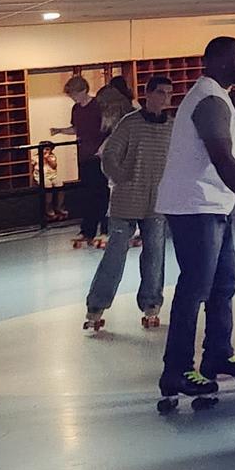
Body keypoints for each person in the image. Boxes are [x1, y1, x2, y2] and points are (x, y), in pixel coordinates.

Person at [155, 37, 235, 407]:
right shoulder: (208, 98)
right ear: (218, 61)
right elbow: (222, 156)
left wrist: (234, 201)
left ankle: (218, 354)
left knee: (223, 284)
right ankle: (176, 369)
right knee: (195, 288)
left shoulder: (218, 95)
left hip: (212, 204)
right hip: (195, 206)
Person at [84, 73, 173, 333]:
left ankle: (151, 305)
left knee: (155, 255)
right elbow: (109, 154)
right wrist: (121, 177)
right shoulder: (130, 123)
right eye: (161, 92)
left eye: (169, 93)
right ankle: (96, 307)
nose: (165, 98)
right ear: (148, 94)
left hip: (157, 202)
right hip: (126, 200)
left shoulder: (171, 125)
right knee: (115, 255)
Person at [64, 73, 108, 250]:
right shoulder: (76, 109)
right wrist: (60, 131)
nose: (73, 98)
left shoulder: (98, 106)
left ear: (83, 90)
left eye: (74, 94)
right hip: (84, 156)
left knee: (101, 193)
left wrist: (103, 147)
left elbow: (107, 129)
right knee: (88, 195)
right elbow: (76, 128)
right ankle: (87, 230)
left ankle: (105, 229)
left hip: (99, 157)